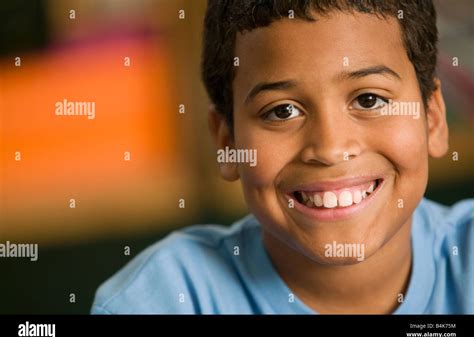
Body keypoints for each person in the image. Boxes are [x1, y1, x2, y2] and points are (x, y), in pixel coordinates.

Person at [91, 0, 474, 314]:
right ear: (227, 144)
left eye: (369, 99)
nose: (329, 148)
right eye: (281, 111)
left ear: (433, 118)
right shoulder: (164, 301)